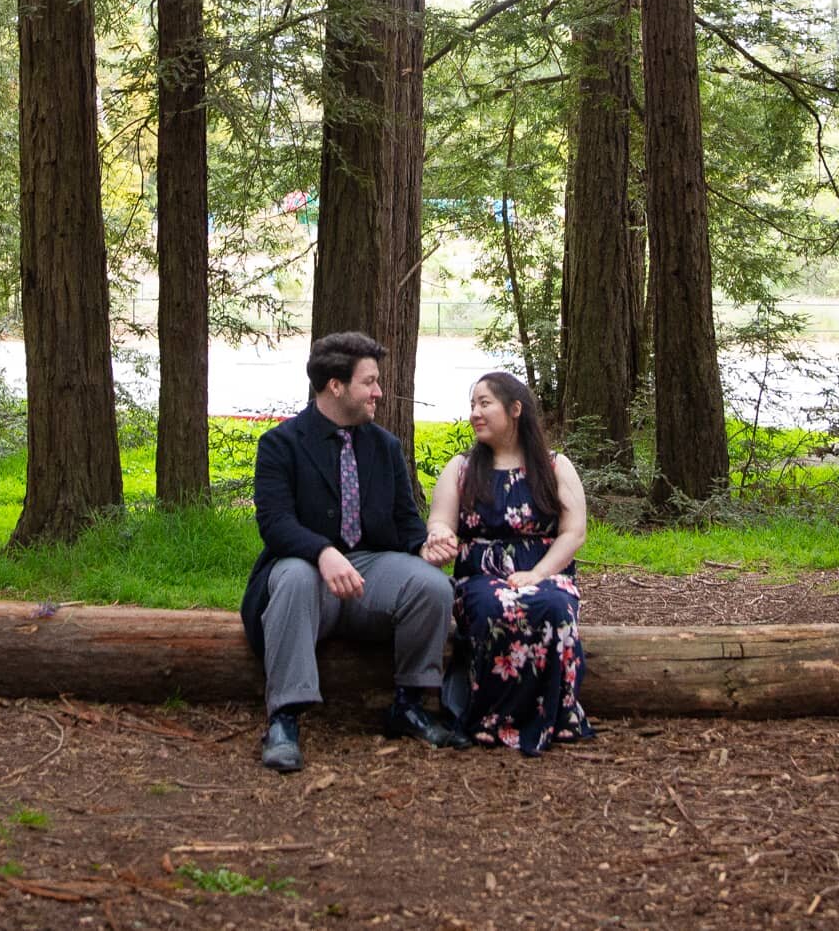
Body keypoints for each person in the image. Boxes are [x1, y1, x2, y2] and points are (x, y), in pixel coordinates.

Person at [240, 330, 467, 773]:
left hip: (370, 576)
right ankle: (284, 718)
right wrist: (323, 552)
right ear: (335, 385)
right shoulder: (280, 445)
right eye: (369, 381)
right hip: (304, 572)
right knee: (292, 577)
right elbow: (275, 523)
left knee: (431, 586)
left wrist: (425, 545)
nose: (379, 391)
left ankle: (409, 704)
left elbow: (405, 522)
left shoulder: (384, 447)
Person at [422, 371, 596, 755]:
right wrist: (440, 537)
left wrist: (538, 573)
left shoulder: (555, 467)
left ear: (515, 409)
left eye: (485, 403)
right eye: (472, 405)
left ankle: (557, 716)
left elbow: (574, 532)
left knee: (554, 606)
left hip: (544, 571)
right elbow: (440, 520)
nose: (474, 414)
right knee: (490, 608)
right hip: (481, 577)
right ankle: (489, 719)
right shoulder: (462, 469)